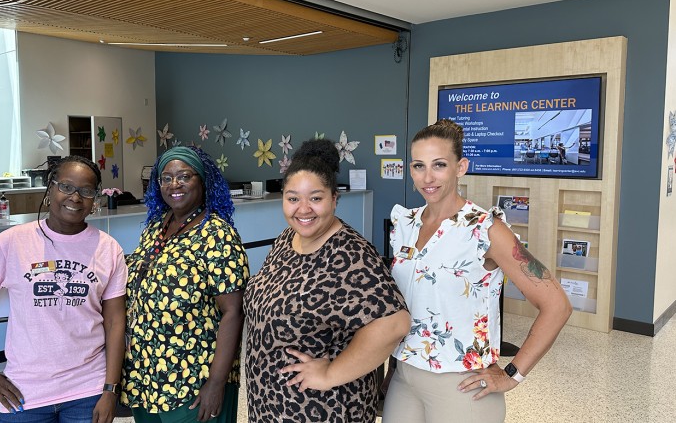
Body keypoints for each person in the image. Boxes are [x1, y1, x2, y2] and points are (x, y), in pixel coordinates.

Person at [383, 120, 572, 422]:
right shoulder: (405, 224)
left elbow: (557, 305)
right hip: (405, 378)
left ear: (461, 167)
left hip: (462, 386)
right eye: (419, 166)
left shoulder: (486, 230)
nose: (427, 177)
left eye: (439, 165)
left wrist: (512, 374)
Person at [244, 139, 410, 422]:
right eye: (293, 198)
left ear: (334, 199)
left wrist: (331, 373)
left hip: (322, 408)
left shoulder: (350, 253)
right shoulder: (288, 239)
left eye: (316, 198)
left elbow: (395, 323)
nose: (303, 209)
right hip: (271, 403)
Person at [0, 155, 128, 423]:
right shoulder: (12, 243)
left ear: (95, 200)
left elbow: (115, 323)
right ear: (50, 188)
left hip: (88, 390)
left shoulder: (108, 249)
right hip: (23, 393)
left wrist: (110, 390)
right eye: (66, 187)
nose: (75, 197)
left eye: (86, 191)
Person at [121, 146, 249, 423]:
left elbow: (233, 312)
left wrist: (216, 383)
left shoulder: (217, 234)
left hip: (194, 378)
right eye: (166, 178)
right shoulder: (156, 227)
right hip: (148, 376)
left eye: (184, 176)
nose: (174, 185)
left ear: (202, 181)